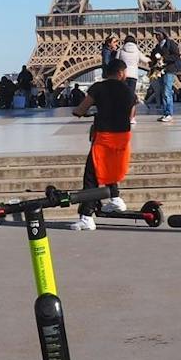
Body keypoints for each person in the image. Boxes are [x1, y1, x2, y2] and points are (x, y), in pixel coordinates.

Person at [68, 57, 136, 231]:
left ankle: (86, 216)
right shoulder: (129, 92)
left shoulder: (98, 87)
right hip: (122, 137)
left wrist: (84, 112)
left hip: (104, 136)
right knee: (111, 167)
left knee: (91, 175)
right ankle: (115, 199)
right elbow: (131, 114)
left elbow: (81, 109)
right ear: (121, 73)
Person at [154, 31, 181, 123]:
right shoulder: (158, 46)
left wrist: (164, 58)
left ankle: (169, 113)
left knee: (167, 92)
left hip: (170, 70)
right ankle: (166, 113)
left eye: (158, 34)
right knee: (164, 92)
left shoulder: (171, 44)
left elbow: (176, 55)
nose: (157, 36)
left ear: (163, 35)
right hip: (161, 71)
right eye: (156, 35)